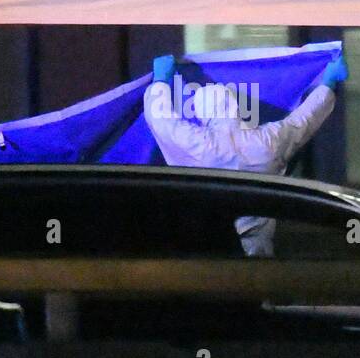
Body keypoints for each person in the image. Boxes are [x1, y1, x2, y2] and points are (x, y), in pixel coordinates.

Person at [143, 52, 349, 256]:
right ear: (236, 107)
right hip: (258, 254)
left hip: (208, 252)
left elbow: (162, 122)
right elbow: (304, 120)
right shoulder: (266, 143)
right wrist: (328, 82)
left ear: (201, 112)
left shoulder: (199, 145)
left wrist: (161, 81)